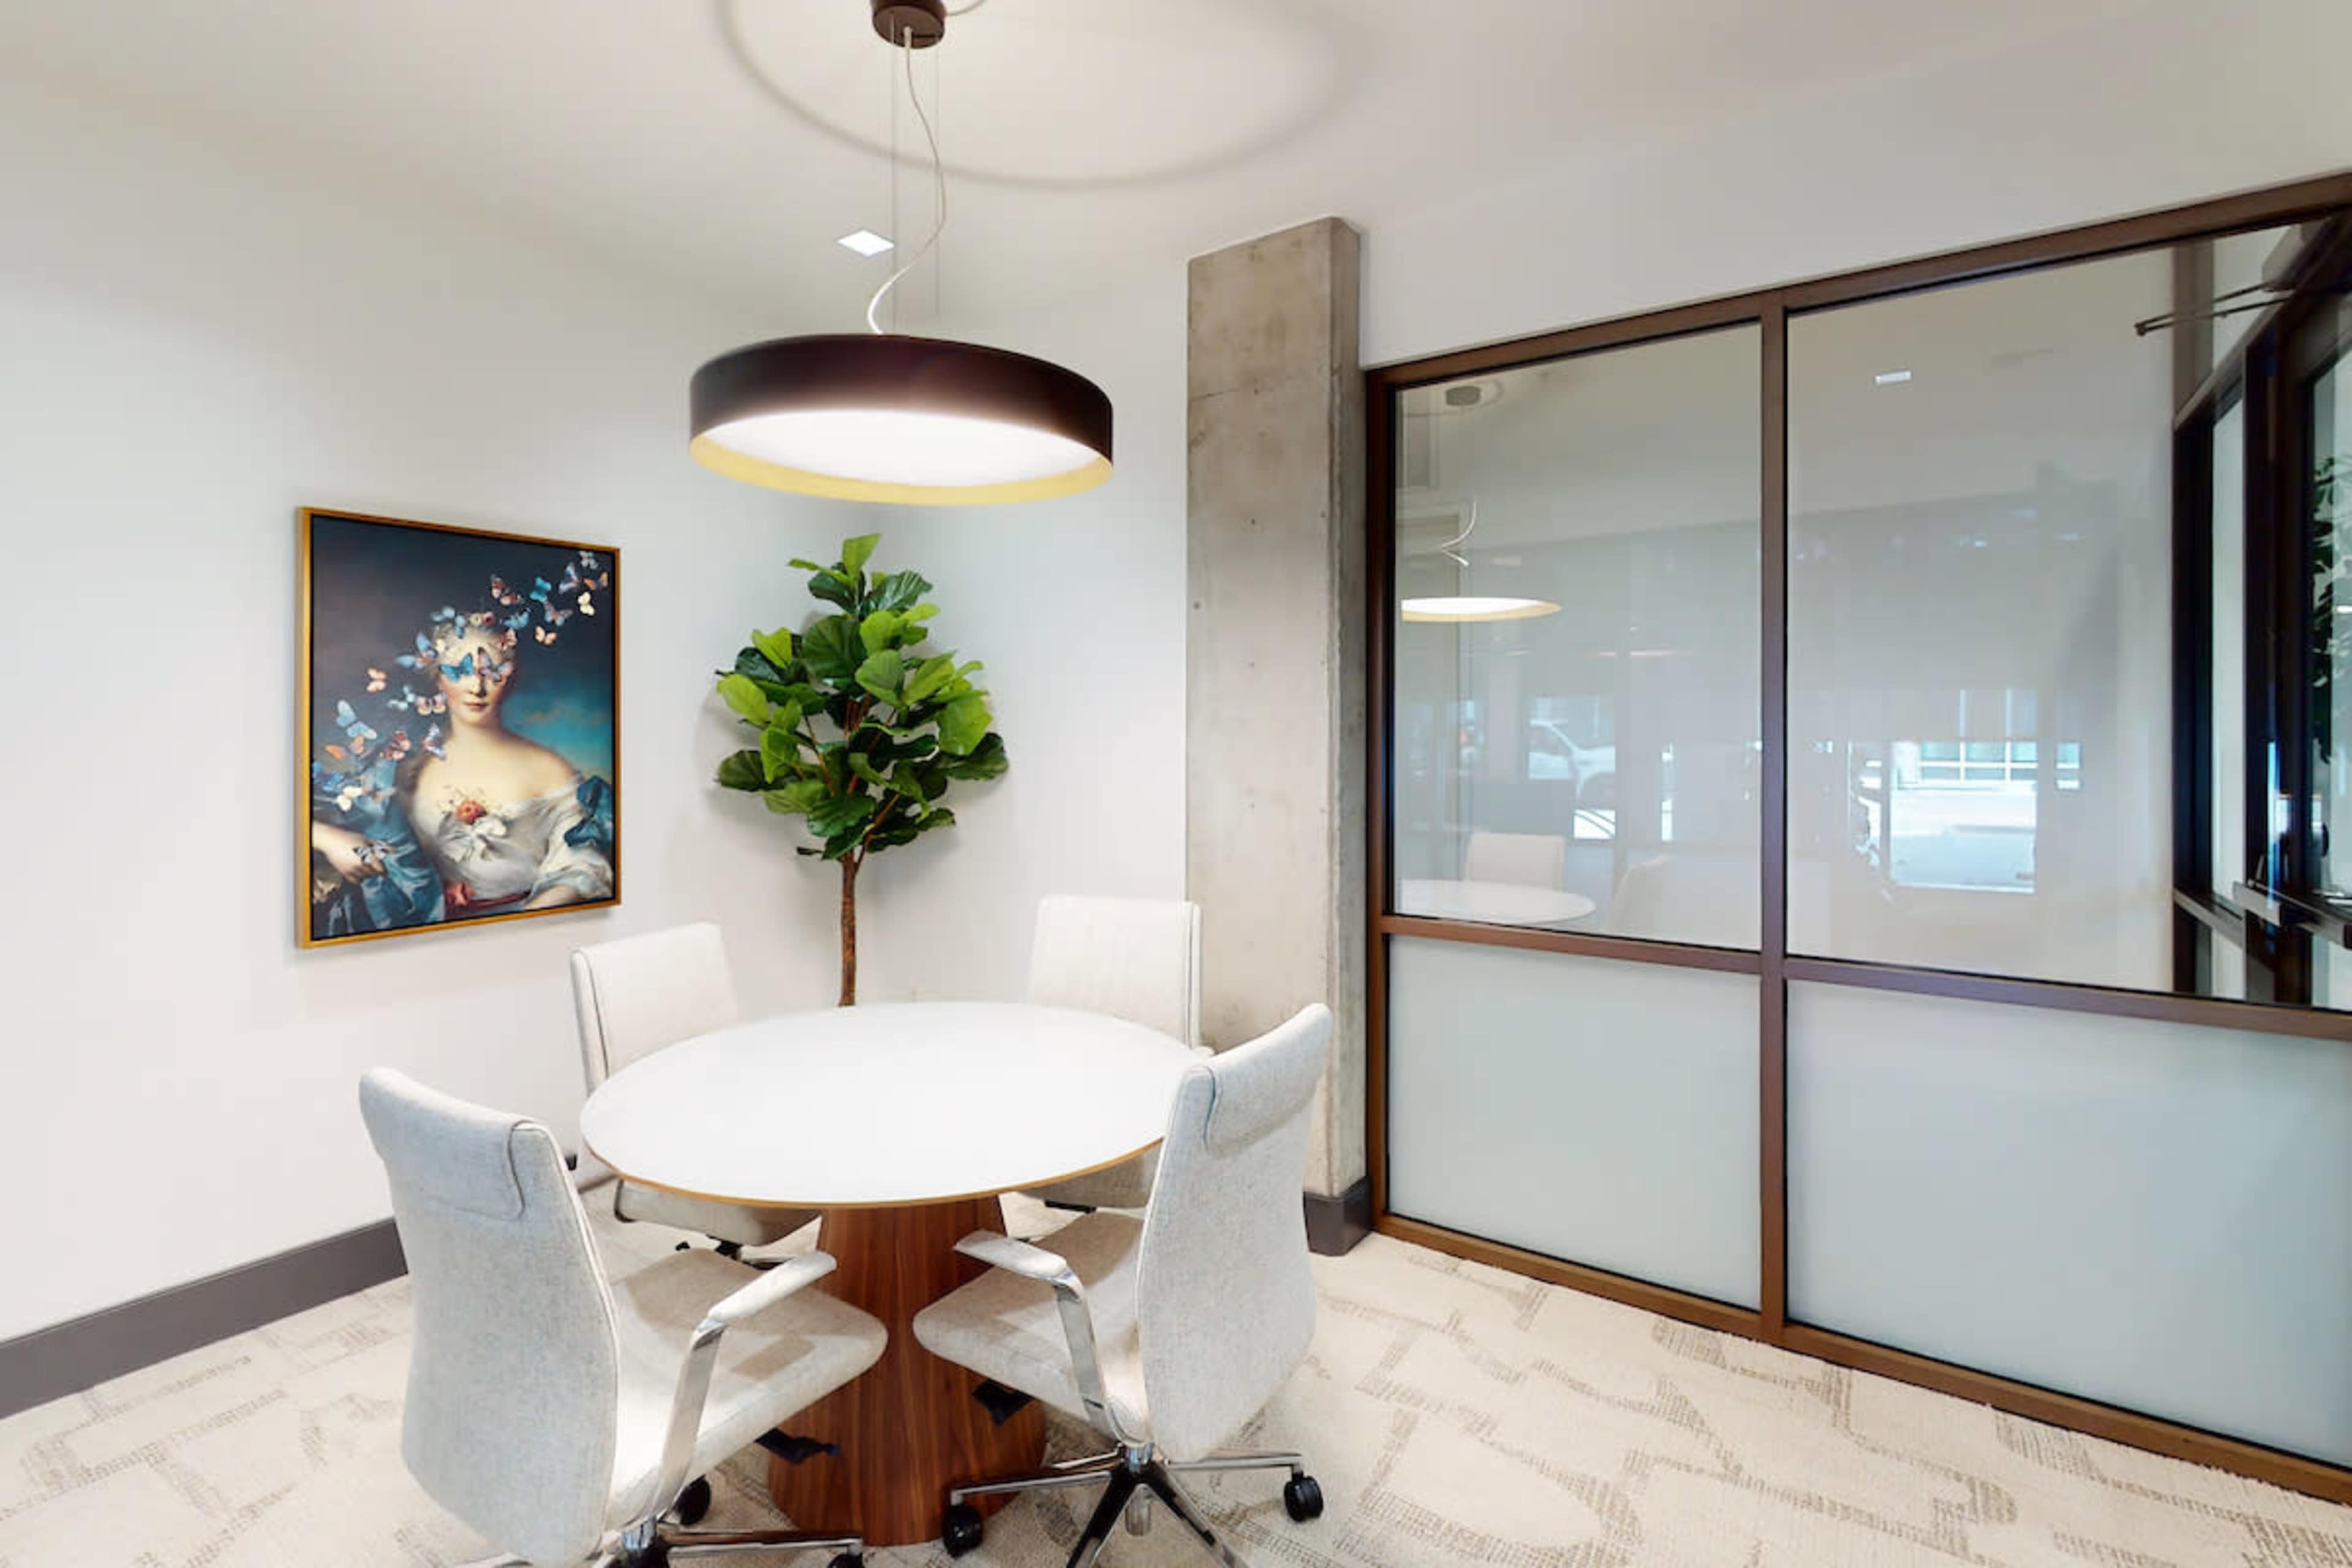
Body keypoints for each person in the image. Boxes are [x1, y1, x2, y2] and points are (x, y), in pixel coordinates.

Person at [310, 601, 613, 936]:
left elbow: (582, 865)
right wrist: (326, 837)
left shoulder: (548, 769)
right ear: (437, 677)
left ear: (510, 677)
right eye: (460, 671)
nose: (477, 687)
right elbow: (332, 819)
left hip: (516, 939)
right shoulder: (402, 765)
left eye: (492, 672)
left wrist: (517, 928)